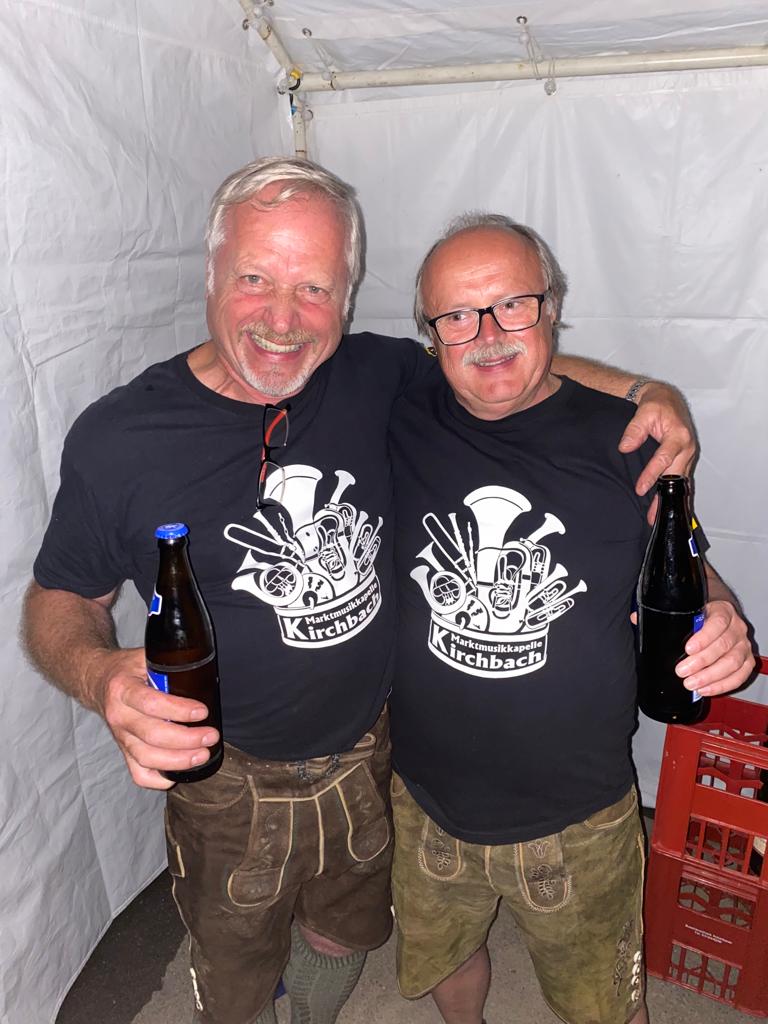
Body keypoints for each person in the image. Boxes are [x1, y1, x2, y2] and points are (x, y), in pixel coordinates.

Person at [23, 159, 700, 1024]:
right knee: (232, 973)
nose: (282, 319)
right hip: (224, 775)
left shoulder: (376, 375)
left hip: (373, 757)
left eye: (313, 288)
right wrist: (98, 674)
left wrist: (647, 393)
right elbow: (59, 599)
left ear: (346, 300)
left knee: (347, 932)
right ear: (210, 273)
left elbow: (504, 364)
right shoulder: (122, 436)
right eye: (256, 279)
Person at [388, 213, 756, 1024]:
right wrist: (645, 382)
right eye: (458, 315)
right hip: (425, 797)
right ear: (431, 335)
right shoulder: (398, 409)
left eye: (512, 304)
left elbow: (687, 566)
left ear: (551, 306)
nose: (487, 334)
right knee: (446, 954)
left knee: (603, 1005)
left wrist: (722, 613)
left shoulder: (630, 442)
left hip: (581, 813)